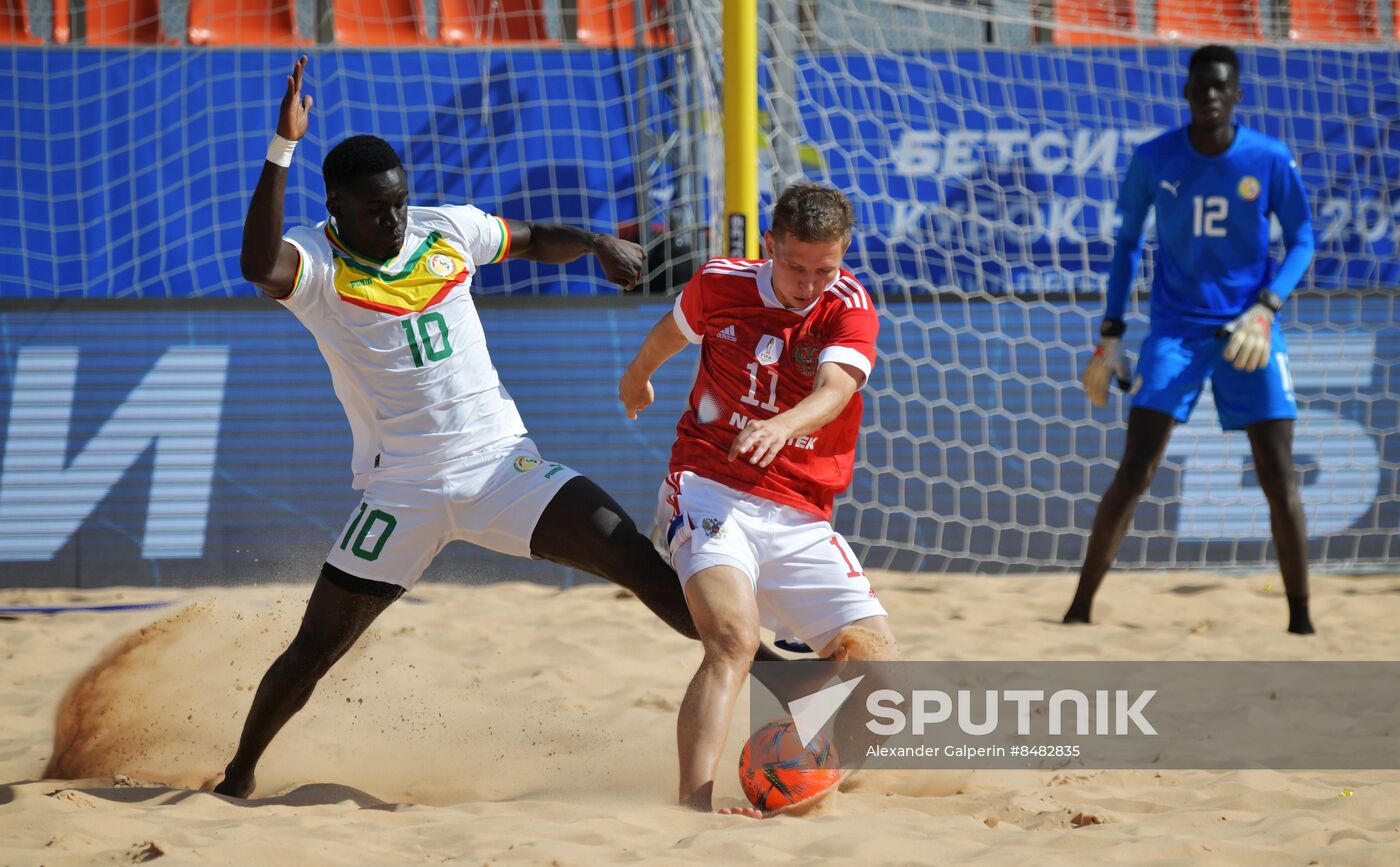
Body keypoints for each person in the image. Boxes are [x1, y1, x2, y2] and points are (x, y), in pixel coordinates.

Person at [214, 56, 783, 799]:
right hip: (403, 488)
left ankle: (801, 689)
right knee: (315, 649)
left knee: (642, 567)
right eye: (377, 209)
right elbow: (256, 263)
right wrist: (282, 147)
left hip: (501, 467)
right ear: (337, 208)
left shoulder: (443, 229)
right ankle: (235, 779)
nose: (394, 219)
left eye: (399, 203)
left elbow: (533, 237)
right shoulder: (315, 262)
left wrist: (593, 242)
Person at [619, 182, 899, 817]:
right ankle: (694, 807)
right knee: (733, 642)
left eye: (824, 269)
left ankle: (800, 768)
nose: (809, 284)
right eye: (796, 267)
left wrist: (781, 426)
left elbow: (835, 390)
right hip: (708, 486)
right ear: (769, 244)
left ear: (844, 254)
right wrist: (636, 378)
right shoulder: (722, 282)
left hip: (799, 510)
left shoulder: (849, 306)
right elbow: (672, 332)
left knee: (884, 677)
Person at [1064, 45, 1316, 635]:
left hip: (1248, 330)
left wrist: (1267, 307)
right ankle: (1078, 609)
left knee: (1278, 472)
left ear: (1237, 95)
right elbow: (1127, 245)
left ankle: (1301, 620)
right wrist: (1111, 334)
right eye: (1200, 86)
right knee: (1136, 468)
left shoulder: (1268, 157)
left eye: (1220, 87)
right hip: (1174, 333)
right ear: (1186, 91)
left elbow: (1303, 238)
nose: (1209, 96)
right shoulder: (1155, 158)